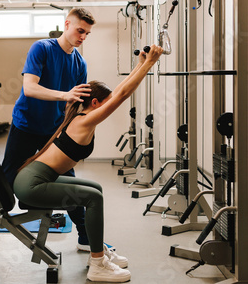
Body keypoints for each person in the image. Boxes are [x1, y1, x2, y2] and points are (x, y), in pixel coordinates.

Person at [13, 45, 164, 282]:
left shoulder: (82, 114)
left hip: (38, 177)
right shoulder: (84, 121)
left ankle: (98, 252)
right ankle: (97, 264)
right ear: (95, 102)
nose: (109, 103)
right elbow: (122, 95)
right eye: (105, 102)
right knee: (94, 198)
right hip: (31, 184)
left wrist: (139, 65)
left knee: (96, 190)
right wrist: (149, 64)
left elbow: (118, 93)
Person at [0, 8, 95, 260]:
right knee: (5, 180)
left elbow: (76, 102)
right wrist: (64, 94)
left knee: (67, 178)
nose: (83, 36)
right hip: (26, 125)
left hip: (54, 129)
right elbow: (29, 88)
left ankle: (85, 235)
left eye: (87, 33)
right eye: (79, 30)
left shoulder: (79, 63)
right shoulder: (42, 48)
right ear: (67, 24)